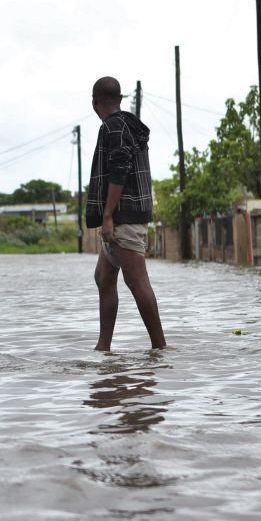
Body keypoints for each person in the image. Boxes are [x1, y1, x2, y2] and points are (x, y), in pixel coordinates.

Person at [87, 76, 167, 351]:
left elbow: (119, 171)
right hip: (128, 214)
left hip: (123, 217)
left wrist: (107, 216)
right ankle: (103, 347)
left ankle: (159, 349)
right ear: (119, 100)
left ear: (95, 103)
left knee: (136, 282)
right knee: (103, 277)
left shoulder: (114, 128)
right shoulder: (127, 126)